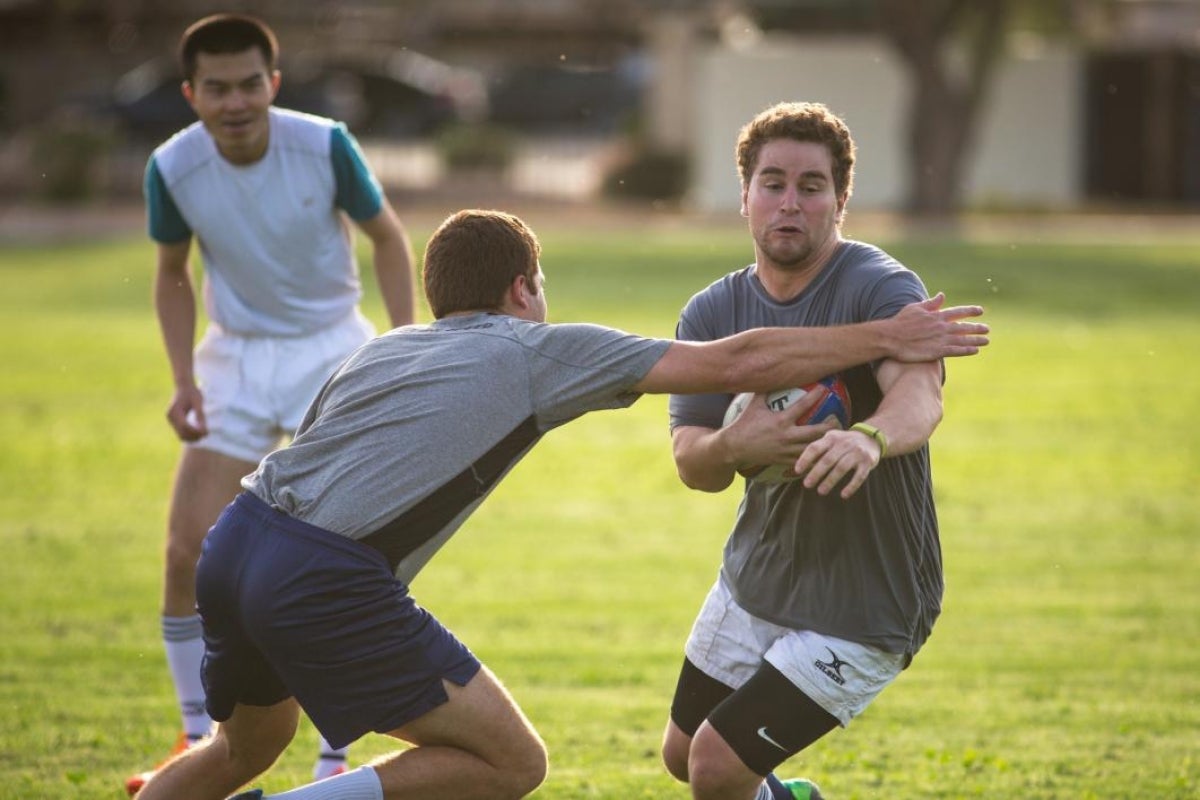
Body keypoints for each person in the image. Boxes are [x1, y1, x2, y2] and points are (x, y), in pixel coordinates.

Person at [133, 208, 987, 800]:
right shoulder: (539, 349)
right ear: (522, 290)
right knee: (509, 765)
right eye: (538, 288)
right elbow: (735, 360)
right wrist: (887, 337)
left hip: (235, 540)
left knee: (243, 746)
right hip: (321, 575)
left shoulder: (383, 350)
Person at [127, 12, 416, 796]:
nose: (236, 102)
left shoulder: (324, 144)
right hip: (237, 358)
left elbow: (388, 238)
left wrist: (404, 347)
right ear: (191, 94)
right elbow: (170, 274)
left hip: (333, 347)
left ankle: (336, 753)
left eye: (250, 83)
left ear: (273, 84)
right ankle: (191, 740)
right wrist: (184, 379)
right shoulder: (172, 167)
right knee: (187, 548)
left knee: (340, 561)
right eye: (216, 88)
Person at [659, 100, 974, 800]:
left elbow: (921, 396)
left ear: (840, 200)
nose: (790, 203)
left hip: (866, 600)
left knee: (716, 765)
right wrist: (735, 444)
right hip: (759, 578)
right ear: (744, 197)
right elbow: (692, 464)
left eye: (811, 186)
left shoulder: (878, 287)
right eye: (773, 183)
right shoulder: (712, 313)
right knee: (683, 755)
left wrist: (870, 439)